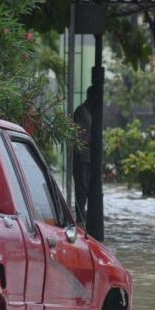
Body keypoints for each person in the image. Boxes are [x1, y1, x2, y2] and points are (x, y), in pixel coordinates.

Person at [72, 85, 96, 223]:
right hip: (82, 158)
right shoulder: (82, 113)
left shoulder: (88, 112)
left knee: (84, 189)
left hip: (87, 158)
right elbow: (80, 138)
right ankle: (80, 218)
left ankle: (81, 217)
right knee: (82, 189)